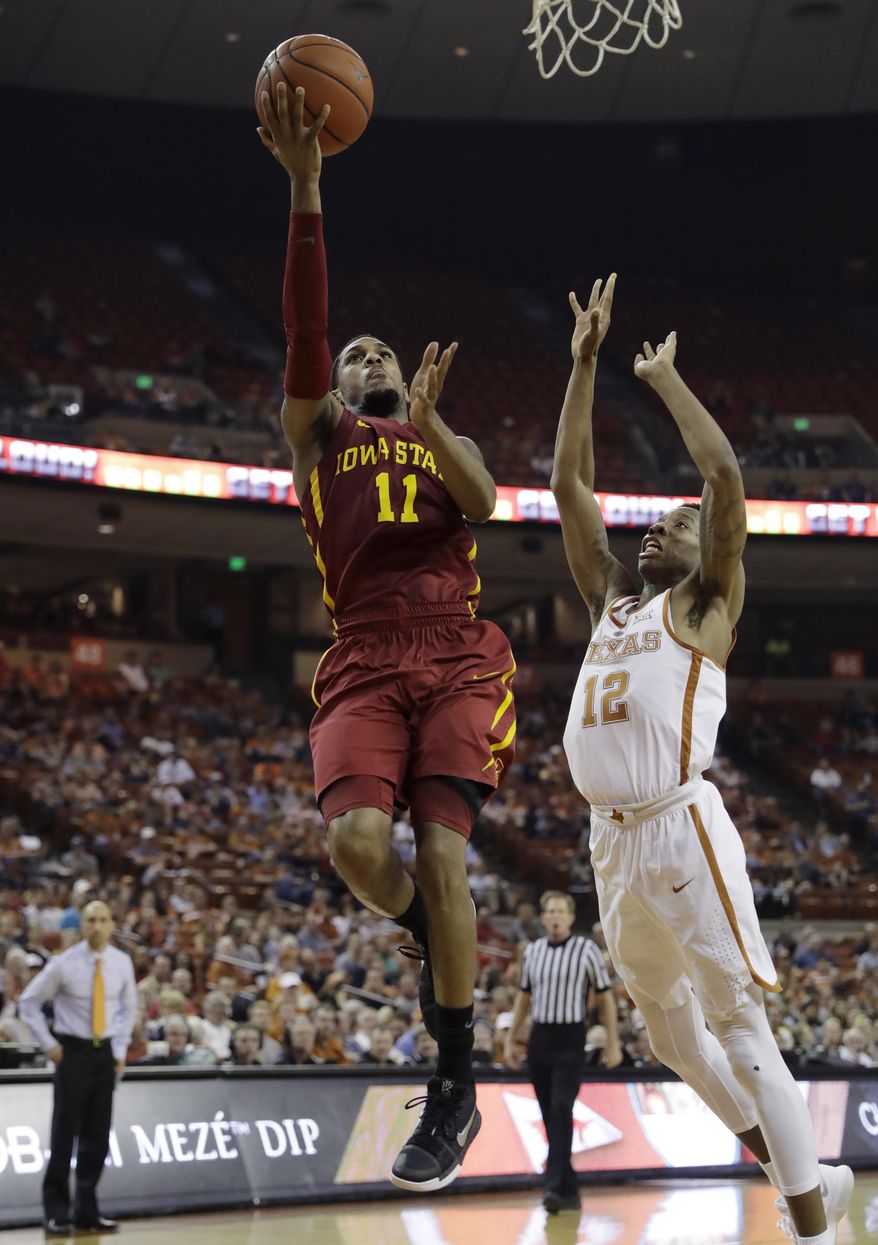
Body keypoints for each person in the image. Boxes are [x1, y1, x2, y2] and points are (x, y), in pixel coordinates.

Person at [550, 275, 853, 1245]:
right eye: (653, 522)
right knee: (667, 1037)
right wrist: (582, 365)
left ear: (704, 553)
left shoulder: (703, 606)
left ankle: (807, 1228)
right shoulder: (612, 599)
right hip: (607, 841)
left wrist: (664, 381)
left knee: (735, 1028)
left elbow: (722, 485)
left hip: (679, 826)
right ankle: (808, 1175)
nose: (655, 527)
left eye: (671, 525)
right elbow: (568, 489)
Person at [257, 83, 516, 1193]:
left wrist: (430, 419)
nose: (361, 357)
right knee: (362, 852)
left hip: (453, 646)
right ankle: (421, 930)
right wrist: (309, 186)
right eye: (356, 354)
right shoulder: (319, 436)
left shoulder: (424, 434)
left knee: (447, 850)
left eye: (379, 352)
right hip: (362, 650)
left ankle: (454, 1090)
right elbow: (307, 327)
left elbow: (490, 503)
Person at [18, 900, 136, 1236]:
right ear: (81, 926)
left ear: (112, 924)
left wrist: (121, 1049)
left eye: (103, 919)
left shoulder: (122, 962)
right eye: (90, 920)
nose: (97, 926)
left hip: (105, 1055)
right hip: (72, 1053)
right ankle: (56, 1211)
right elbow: (28, 1002)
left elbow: (129, 1008)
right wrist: (50, 1045)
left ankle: (87, 1209)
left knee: (97, 1136)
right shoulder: (64, 964)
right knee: (64, 1133)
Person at [503, 890, 621, 1214]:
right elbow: (523, 998)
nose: (555, 916)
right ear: (543, 917)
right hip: (540, 1038)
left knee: (559, 1109)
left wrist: (613, 1042)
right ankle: (569, 1189)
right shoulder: (533, 952)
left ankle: (552, 1186)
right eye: (550, 910)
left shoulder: (587, 950)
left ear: (570, 917)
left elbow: (606, 996)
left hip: (570, 1038)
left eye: (560, 911)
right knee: (548, 1114)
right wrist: (511, 1038)